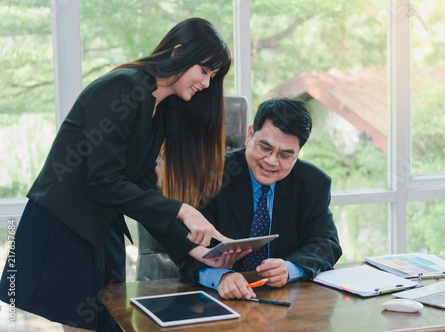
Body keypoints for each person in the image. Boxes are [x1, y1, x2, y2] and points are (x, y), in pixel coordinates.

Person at [0, 18, 243, 332]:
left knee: (112, 323)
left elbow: (141, 191)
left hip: (101, 230)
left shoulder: (160, 111)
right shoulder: (125, 86)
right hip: (64, 225)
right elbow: (104, 181)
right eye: (205, 71)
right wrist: (184, 210)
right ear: (178, 51)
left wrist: (199, 250)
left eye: (213, 76)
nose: (207, 84)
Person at [178, 98, 343, 300]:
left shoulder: (313, 183)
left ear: (298, 153)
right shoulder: (213, 176)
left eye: (285, 155)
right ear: (249, 135)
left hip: (282, 301)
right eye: (265, 147)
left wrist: (291, 268)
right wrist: (221, 277)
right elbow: (184, 247)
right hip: (213, 301)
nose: (271, 161)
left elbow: (326, 243)